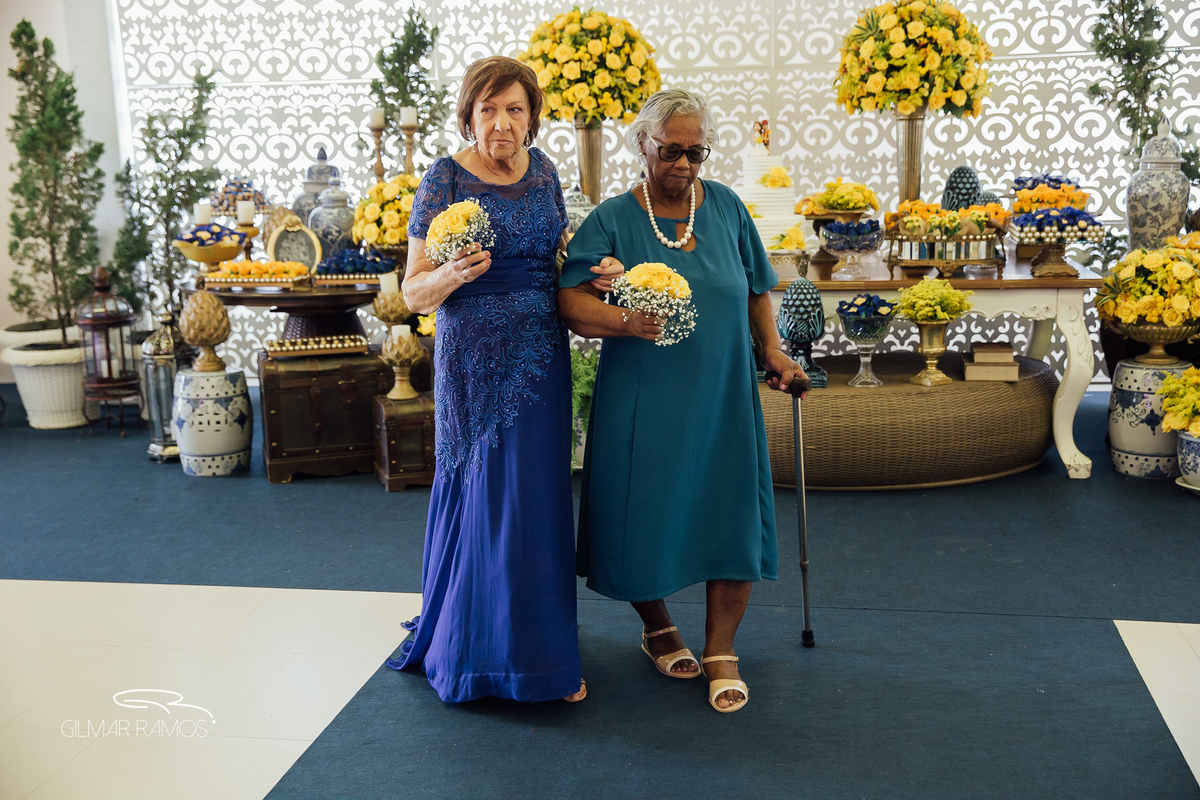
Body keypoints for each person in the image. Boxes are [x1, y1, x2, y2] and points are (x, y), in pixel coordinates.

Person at [557, 88, 808, 713]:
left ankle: (723, 649)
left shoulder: (724, 208)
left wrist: (772, 349)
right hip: (642, 398)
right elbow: (570, 305)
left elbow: (755, 288)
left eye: (697, 152)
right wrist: (624, 320)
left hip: (722, 393)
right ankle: (657, 625)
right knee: (643, 513)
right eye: (673, 151)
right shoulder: (612, 218)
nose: (686, 165)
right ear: (642, 144)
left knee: (731, 515)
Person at [386, 55, 619, 703]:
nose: (501, 123)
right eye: (488, 109)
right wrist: (452, 275)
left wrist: (591, 270)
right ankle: (480, 654)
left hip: (542, 353)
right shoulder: (443, 181)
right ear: (468, 116)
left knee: (538, 498)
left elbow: (556, 252)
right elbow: (413, 293)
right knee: (490, 493)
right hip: (475, 360)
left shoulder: (543, 172)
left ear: (532, 117)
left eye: (514, 109)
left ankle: (542, 654)